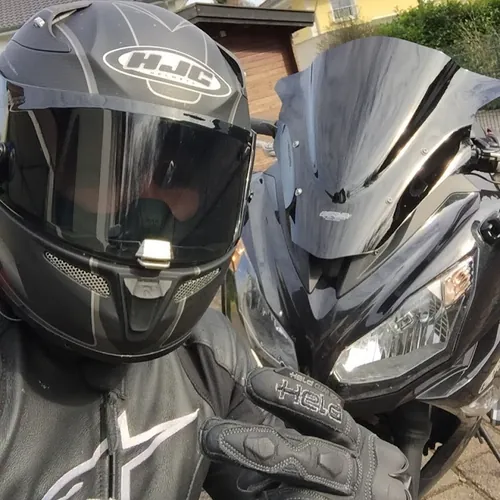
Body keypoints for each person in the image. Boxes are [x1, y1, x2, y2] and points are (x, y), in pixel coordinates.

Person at [0, 2, 412, 499]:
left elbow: (266, 472)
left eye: (180, 171)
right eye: (111, 170)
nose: (150, 210)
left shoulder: (207, 352)